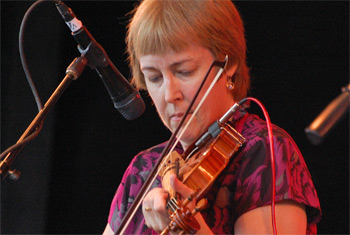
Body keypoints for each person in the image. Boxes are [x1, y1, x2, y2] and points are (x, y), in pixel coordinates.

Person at [103, 0, 321, 234]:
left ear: (230, 64)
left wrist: (189, 229)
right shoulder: (143, 170)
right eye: (154, 77)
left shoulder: (264, 151)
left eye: (184, 71)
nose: (169, 94)